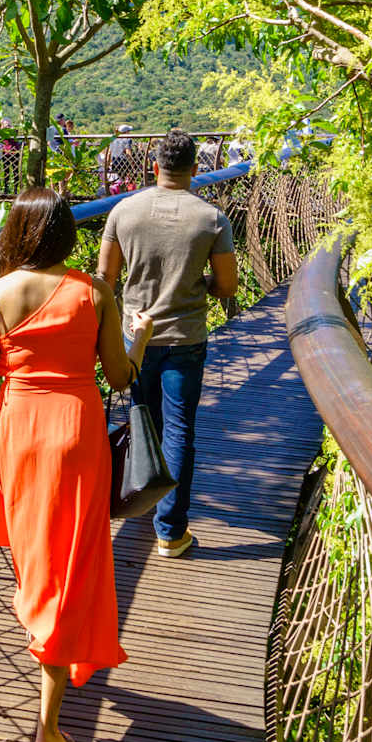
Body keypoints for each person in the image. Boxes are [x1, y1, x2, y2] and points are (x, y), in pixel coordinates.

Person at [0, 186, 152, 742]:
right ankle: (49, 733)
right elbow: (120, 374)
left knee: (37, 557)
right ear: (64, 234)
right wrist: (143, 336)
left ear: (17, 232)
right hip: (76, 430)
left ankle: (46, 638)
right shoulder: (93, 292)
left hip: (19, 430)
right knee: (69, 564)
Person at [97, 127, 238, 559]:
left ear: (154, 168)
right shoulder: (211, 219)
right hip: (186, 338)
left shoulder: (124, 211)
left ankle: (142, 498)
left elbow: (105, 280)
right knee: (179, 432)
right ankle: (171, 532)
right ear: (196, 170)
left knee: (146, 423)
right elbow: (229, 287)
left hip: (135, 337)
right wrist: (201, 283)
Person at [98, 122, 138, 196]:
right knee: (129, 179)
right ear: (126, 132)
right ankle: (125, 193)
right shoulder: (127, 140)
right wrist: (133, 165)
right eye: (129, 131)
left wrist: (107, 164)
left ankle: (119, 192)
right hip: (125, 164)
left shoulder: (113, 140)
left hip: (115, 164)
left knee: (119, 181)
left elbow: (109, 153)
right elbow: (128, 152)